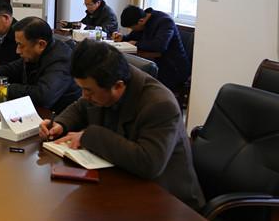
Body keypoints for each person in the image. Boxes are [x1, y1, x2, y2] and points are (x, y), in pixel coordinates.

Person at [39, 39, 204, 210]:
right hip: (124, 181)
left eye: (88, 90)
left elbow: (148, 163)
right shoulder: (105, 81)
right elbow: (82, 107)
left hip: (170, 202)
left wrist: (89, 136)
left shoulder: (160, 105)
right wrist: (61, 123)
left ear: (118, 86)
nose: (84, 95)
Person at [0, 17, 80, 112]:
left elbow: (43, 96)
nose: (17, 51)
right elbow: (12, 68)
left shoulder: (61, 60)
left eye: (21, 45)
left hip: (56, 119)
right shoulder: (36, 53)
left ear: (41, 44)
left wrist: (6, 89)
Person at [113, 5, 190, 91]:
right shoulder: (142, 19)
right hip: (155, 62)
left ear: (141, 21)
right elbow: (133, 36)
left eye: (132, 28)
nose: (132, 29)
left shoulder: (165, 21)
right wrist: (122, 38)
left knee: (135, 81)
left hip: (173, 68)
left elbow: (159, 46)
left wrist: (137, 43)